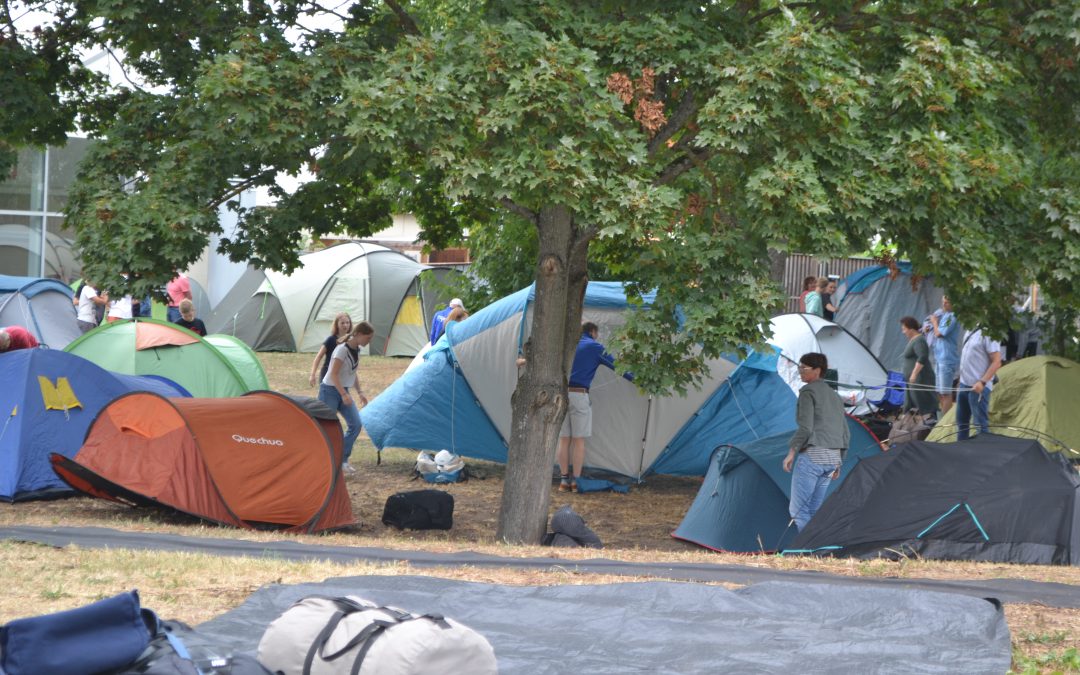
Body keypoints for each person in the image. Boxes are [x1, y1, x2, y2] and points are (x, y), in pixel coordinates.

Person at [557, 322, 632, 492]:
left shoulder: (567, 345)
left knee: (564, 440)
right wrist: (638, 380)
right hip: (579, 395)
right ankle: (575, 482)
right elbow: (618, 367)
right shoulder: (595, 347)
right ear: (592, 332)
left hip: (561, 395)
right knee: (578, 441)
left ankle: (563, 482)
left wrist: (523, 360)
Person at [782, 352, 849, 531]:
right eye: (799, 367)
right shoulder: (835, 396)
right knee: (813, 509)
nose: (800, 371)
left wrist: (791, 452)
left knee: (798, 511)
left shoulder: (808, 392)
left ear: (817, 370)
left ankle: (807, 546)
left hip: (813, 455)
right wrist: (839, 461)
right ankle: (817, 545)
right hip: (832, 458)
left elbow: (806, 428)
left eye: (804, 368)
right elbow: (845, 432)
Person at [319, 321, 374, 474]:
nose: (369, 341)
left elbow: (352, 372)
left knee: (355, 424)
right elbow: (333, 374)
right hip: (329, 391)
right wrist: (343, 394)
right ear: (359, 334)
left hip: (344, 390)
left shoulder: (356, 350)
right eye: (368, 338)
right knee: (326, 428)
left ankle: (342, 460)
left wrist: (360, 392)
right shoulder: (341, 350)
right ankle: (323, 461)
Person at [956, 327, 1003, 440]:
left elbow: (997, 362)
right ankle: (960, 448)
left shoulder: (989, 331)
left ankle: (984, 450)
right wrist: (960, 380)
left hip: (979, 387)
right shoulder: (969, 329)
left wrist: (982, 382)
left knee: (980, 426)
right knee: (961, 424)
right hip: (964, 385)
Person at [899, 316, 937, 416]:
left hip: (920, 378)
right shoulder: (914, 339)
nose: (903, 332)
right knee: (912, 404)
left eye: (904, 329)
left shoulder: (919, 340)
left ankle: (930, 420)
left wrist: (914, 374)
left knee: (924, 403)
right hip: (912, 381)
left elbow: (922, 357)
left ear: (911, 329)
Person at [928, 296, 960, 414]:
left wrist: (934, 322)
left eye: (947, 302)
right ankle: (943, 416)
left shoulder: (952, 317)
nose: (944, 305)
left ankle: (946, 420)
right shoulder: (945, 315)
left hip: (947, 359)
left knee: (946, 393)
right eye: (943, 302)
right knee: (940, 392)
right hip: (939, 358)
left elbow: (940, 333)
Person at [309, 312, 353, 387]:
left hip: (342, 376)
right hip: (327, 374)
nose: (345, 325)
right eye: (342, 323)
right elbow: (319, 357)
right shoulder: (331, 339)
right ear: (337, 324)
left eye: (347, 322)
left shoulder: (351, 341)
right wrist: (312, 375)